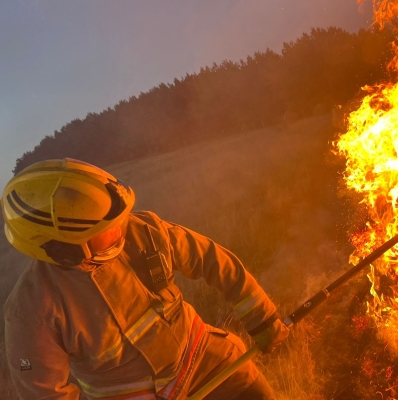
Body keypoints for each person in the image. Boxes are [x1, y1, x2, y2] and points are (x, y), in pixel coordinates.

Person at [1, 158, 289, 399]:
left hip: (211, 363)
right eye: (107, 232)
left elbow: (212, 259)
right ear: (62, 249)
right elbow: (43, 392)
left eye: (119, 221)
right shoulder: (31, 312)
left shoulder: (146, 231)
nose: (122, 232)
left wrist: (262, 318)